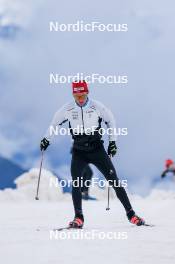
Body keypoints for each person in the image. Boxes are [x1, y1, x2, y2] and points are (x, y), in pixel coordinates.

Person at [40, 80, 145, 228]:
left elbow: (111, 121)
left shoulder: (97, 106)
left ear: (87, 92)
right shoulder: (67, 109)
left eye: (82, 95)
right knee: (76, 183)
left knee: (114, 180)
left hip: (97, 149)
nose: (80, 99)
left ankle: (131, 214)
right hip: (79, 151)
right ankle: (79, 217)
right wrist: (46, 139)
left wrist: (112, 142)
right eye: (77, 96)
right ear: (73, 95)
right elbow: (54, 125)